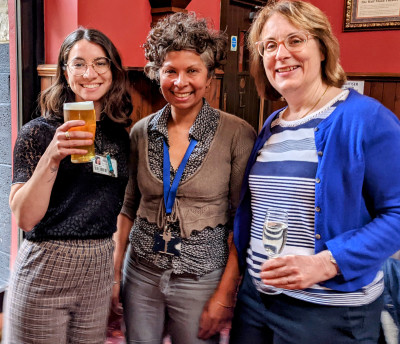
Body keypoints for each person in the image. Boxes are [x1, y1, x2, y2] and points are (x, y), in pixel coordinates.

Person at [230, 1, 400, 343]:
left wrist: (328, 262)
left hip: (327, 311)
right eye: (270, 45)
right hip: (257, 299)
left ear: (322, 48)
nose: (281, 54)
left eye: (295, 40)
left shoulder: (366, 119)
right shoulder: (273, 125)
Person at [112, 12, 256, 344]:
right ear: (156, 73)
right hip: (141, 272)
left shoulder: (237, 134)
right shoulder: (141, 132)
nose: (180, 82)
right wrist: (116, 273)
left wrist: (225, 293)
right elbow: (128, 206)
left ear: (209, 76)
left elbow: (241, 219)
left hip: (201, 277)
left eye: (192, 71)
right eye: (170, 71)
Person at [3, 28, 132, 344]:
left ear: (113, 71)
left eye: (100, 63)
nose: (90, 73)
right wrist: (53, 156)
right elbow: (25, 217)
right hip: (47, 267)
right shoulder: (39, 133)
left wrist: (115, 275)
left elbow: (116, 210)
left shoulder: (120, 137)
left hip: (98, 271)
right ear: (64, 71)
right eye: (78, 64)